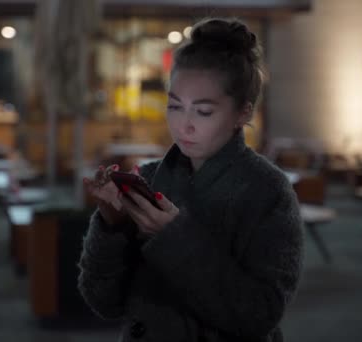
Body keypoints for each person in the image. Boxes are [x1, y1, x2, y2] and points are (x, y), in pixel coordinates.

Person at [79, 17, 303, 342]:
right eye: (174, 106)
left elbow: (260, 314)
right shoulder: (152, 177)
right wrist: (111, 225)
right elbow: (104, 302)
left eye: (203, 111)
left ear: (243, 112)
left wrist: (171, 236)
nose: (184, 126)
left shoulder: (267, 190)